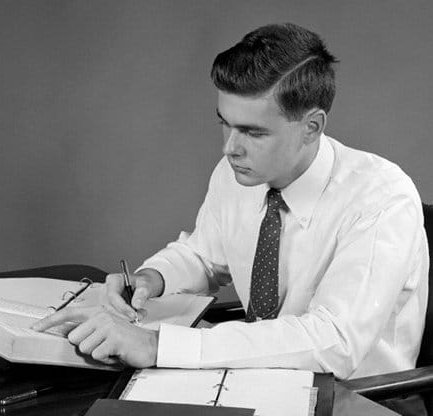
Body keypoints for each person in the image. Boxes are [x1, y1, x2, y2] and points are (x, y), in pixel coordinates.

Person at [33, 22, 428, 381]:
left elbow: (335, 342)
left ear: (312, 127)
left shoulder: (381, 198)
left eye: (253, 132)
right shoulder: (240, 173)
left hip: (357, 398)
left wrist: (156, 346)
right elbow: (205, 256)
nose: (229, 148)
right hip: (257, 380)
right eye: (225, 122)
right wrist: (152, 279)